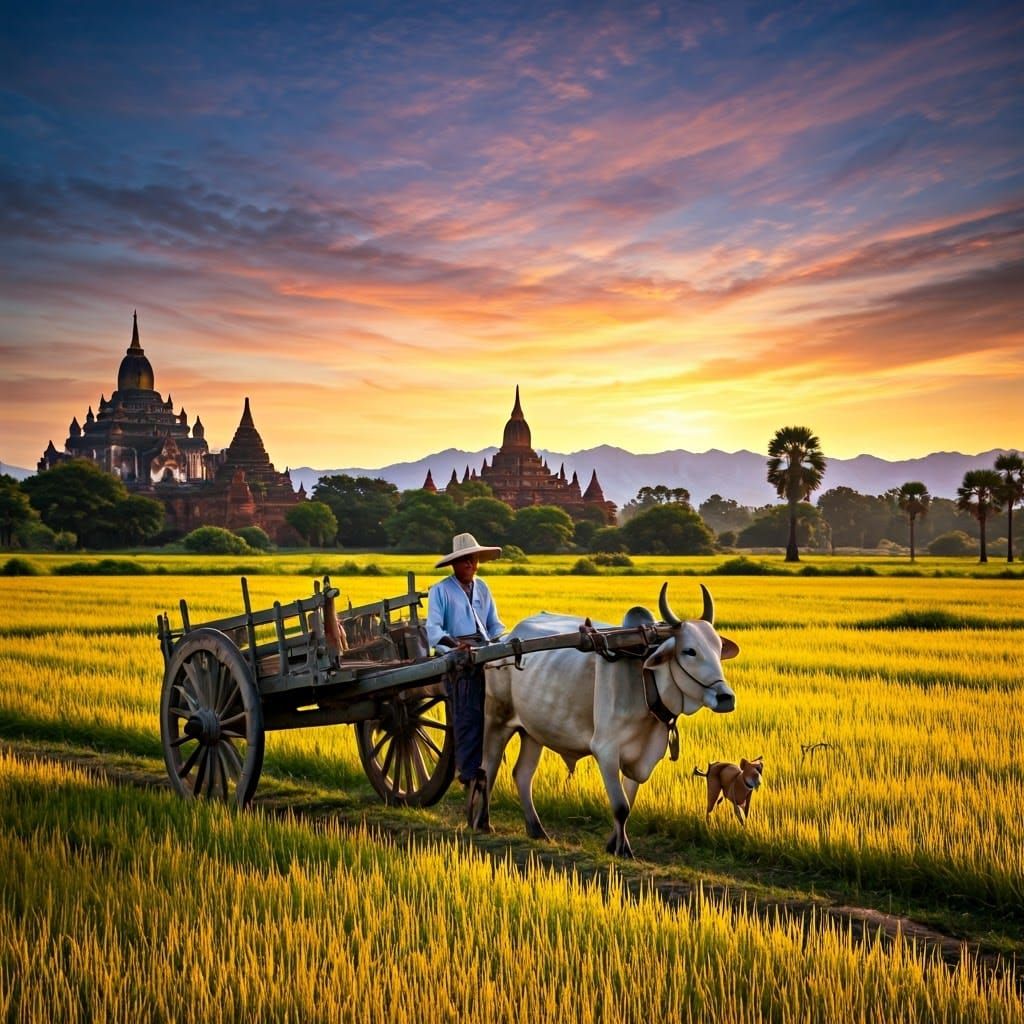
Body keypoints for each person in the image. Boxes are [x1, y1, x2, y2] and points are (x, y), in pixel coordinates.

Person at [426, 532, 505, 831]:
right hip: (458, 656)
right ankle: (470, 777)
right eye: (464, 559)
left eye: (473, 558)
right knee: (469, 716)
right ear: (454, 563)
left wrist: (503, 643)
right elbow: (434, 631)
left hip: (485, 651)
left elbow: (495, 625)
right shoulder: (441, 591)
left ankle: (484, 772)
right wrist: (456, 647)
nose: (470, 563)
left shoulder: (483, 588)